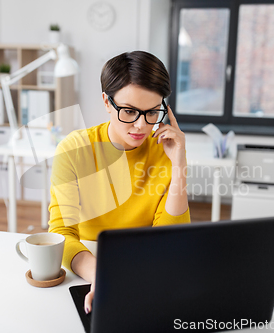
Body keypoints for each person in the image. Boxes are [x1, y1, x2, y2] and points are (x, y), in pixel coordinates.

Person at [48, 51, 191, 314]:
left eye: (152, 112)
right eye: (129, 111)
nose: (141, 125)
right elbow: (61, 233)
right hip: (88, 268)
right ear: (106, 101)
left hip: (149, 270)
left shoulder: (165, 150)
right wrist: (102, 276)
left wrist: (179, 164)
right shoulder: (75, 149)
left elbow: (172, 239)